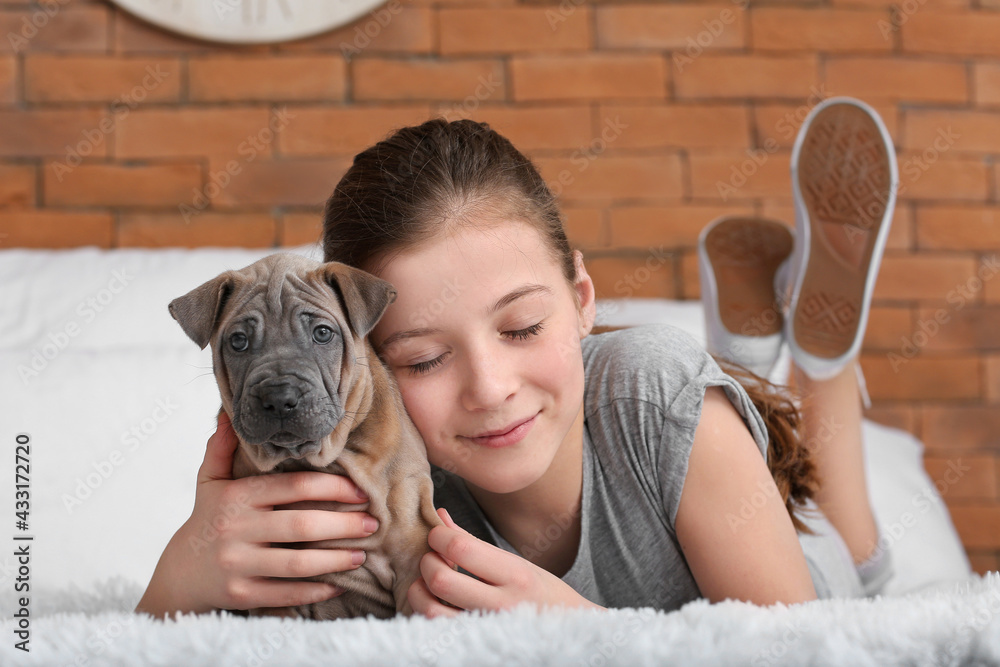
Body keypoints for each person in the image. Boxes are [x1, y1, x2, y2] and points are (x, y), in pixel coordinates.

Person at [136, 98, 896, 619]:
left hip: (806, 570)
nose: (491, 389)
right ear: (364, 364)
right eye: (425, 358)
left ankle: (816, 368)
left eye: (524, 326)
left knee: (854, 551)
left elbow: (801, 649)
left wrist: (586, 637)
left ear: (582, 298)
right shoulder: (388, 481)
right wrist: (180, 576)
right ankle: (753, 345)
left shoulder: (653, 394)